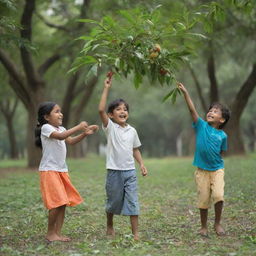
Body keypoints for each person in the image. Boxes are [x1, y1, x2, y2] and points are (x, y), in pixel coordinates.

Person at [35, 101, 98, 242]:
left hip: (61, 170)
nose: (60, 113)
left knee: (63, 202)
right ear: (46, 117)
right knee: (56, 203)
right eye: (56, 111)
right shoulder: (46, 128)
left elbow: (71, 141)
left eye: (60, 111)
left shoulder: (62, 128)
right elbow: (61, 137)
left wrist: (84, 133)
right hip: (49, 170)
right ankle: (50, 233)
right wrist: (79, 126)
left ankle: (57, 233)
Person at [177, 82, 231, 237]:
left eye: (215, 111)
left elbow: (221, 152)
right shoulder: (201, 125)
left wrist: (215, 162)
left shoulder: (223, 136)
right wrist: (186, 93)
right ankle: (203, 226)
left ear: (222, 120)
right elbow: (192, 110)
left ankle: (218, 223)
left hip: (217, 170)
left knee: (218, 195)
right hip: (202, 171)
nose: (210, 112)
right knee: (203, 199)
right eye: (210, 110)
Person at [98, 75, 148, 240]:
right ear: (111, 115)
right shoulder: (110, 128)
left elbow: (135, 149)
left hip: (130, 172)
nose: (123, 111)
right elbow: (100, 110)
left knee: (133, 202)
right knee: (113, 202)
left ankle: (135, 234)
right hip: (114, 172)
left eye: (125, 109)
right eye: (118, 109)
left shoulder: (132, 131)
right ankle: (109, 224)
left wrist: (141, 164)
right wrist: (106, 87)